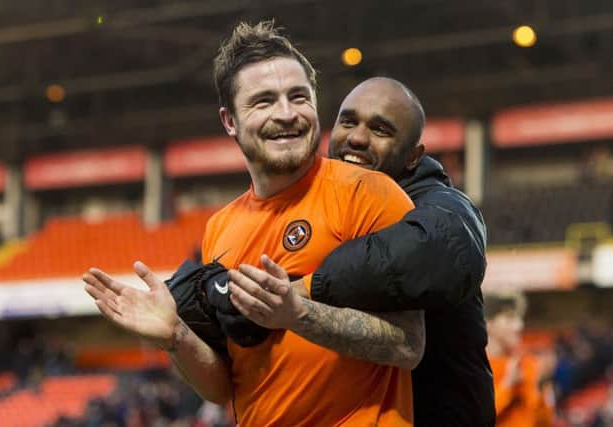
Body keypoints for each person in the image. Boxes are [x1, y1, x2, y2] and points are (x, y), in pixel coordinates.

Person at [83, 21, 425, 426]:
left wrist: (298, 314)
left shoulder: (369, 194)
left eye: (298, 97)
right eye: (263, 102)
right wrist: (177, 338)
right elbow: (226, 387)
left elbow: (409, 345)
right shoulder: (219, 229)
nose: (286, 114)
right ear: (230, 121)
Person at [229, 77, 496, 426]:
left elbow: (445, 248)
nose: (356, 137)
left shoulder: (439, 203)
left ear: (414, 157)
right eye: (348, 121)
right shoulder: (314, 208)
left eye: (380, 129)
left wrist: (302, 290)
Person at [485, 292, 555, 427]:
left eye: (519, 318)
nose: (519, 325)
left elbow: (544, 423)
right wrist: (508, 385)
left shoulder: (527, 363)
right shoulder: (475, 369)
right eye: (510, 318)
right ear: (488, 323)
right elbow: (477, 418)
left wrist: (543, 387)